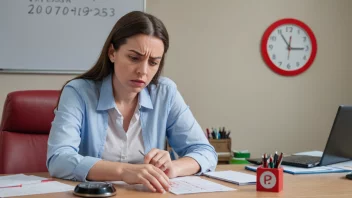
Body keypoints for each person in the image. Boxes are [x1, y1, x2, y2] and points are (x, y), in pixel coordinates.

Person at [46, 11, 217, 193]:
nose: (143, 71)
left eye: (153, 62)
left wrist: (171, 168)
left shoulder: (165, 92)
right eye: (134, 58)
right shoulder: (78, 92)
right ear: (112, 53)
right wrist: (124, 171)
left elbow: (205, 152)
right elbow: (59, 160)